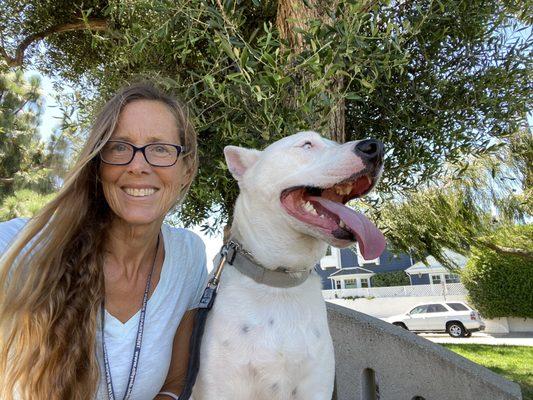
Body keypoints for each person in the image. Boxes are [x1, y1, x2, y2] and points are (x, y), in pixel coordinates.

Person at [0, 82, 208, 400]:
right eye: (120, 147)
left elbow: (176, 380)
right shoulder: (25, 245)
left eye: (161, 149)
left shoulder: (188, 256)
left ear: (187, 170)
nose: (139, 165)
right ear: (98, 166)